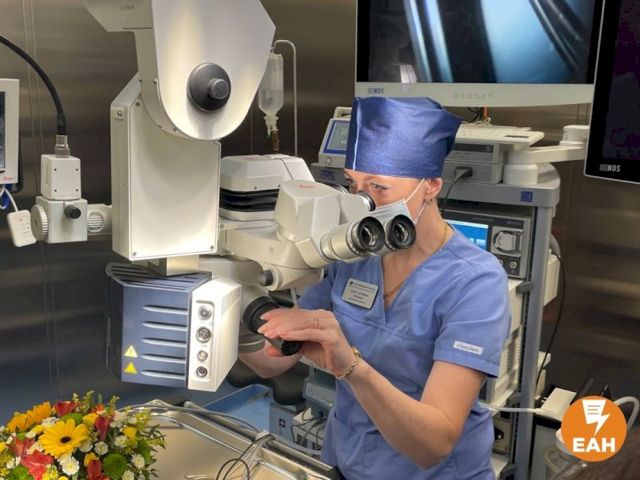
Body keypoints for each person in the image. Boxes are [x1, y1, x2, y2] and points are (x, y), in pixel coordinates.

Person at [240, 97, 511, 479]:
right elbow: (274, 360)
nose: (362, 205)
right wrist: (231, 309)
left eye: (378, 189)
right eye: (353, 186)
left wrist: (350, 365)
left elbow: (433, 445)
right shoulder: (355, 256)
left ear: (431, 184)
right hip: (348, 465)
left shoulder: (475, 282)